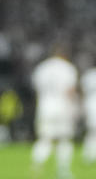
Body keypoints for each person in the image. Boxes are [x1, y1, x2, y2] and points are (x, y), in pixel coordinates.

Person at [31, 49, 79, 179]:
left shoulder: (42, 68)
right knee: (64, 140)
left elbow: (36, 89)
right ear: (64, 56)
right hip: (62, 107)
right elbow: (69, 90)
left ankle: (37, 164)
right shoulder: (67, 68)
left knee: (45, 139)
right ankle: (63, 171)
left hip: (45, 108)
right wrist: (75, 107)